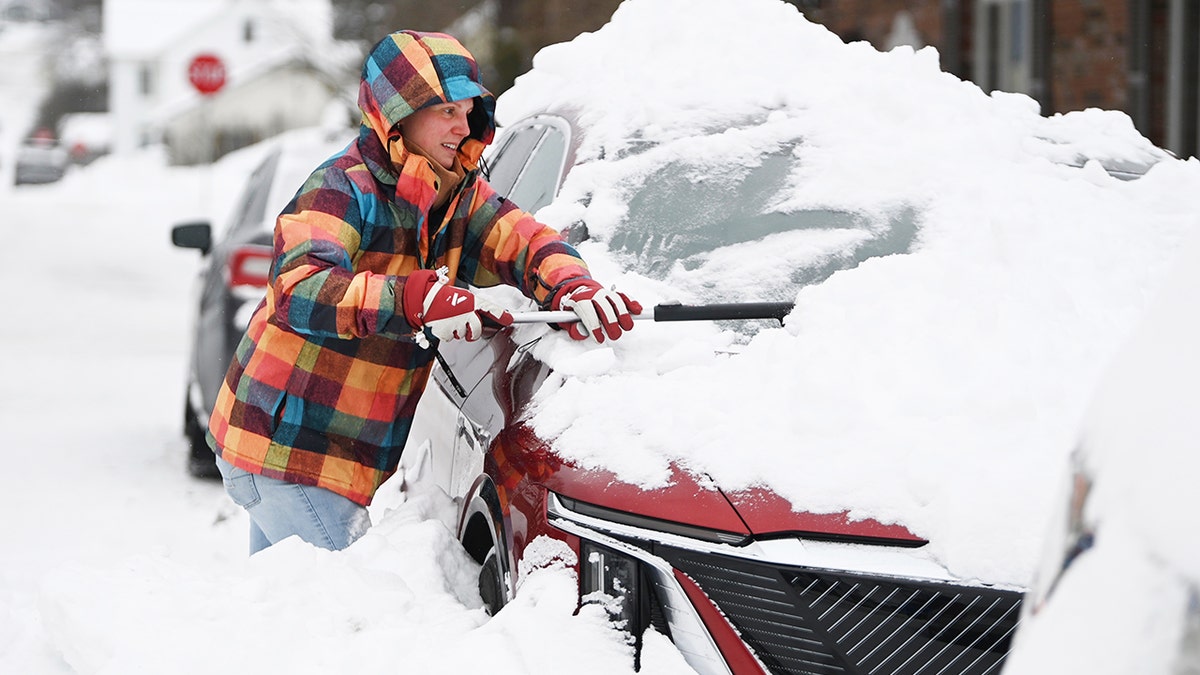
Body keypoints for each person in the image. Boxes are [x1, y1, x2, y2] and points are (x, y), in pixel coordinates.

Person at [207, 30, 640, 555]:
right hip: (288, 445)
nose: (462, 126)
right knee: (342, 612)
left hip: (331, 453)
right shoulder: (344, 187)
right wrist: (412, 299)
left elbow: (524, 242)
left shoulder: (456, 193)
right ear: (397, 115)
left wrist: (573, 286)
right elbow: (300, 286)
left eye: (468, 110)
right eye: (445, 112)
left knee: (291, 612)